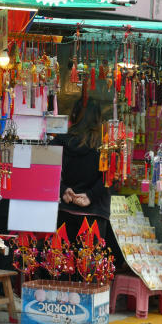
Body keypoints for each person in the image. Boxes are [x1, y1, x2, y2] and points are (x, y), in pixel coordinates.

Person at [54, 95, 111, 232]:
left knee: (61, 253)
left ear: (74, 114)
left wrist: (62, 189)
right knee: (91, 253)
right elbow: (109, 176)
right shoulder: (104, 146)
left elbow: (48, 169)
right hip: (94, 213)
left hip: (65, 209)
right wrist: (91, 195)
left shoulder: (61, 140)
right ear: (98, 118)